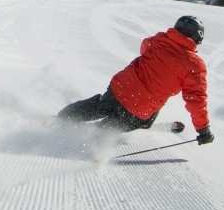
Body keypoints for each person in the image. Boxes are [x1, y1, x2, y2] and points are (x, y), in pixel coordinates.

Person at [57, 16, 214, 145]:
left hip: (120, 89)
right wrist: (203, 129)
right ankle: (101, 132)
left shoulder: (159, 41)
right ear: (198, 38)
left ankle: (65, 116)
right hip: (141, 108)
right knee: (129, 120)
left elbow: (144, 47)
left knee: (100, 106)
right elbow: (196, 99)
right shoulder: (195, 65)